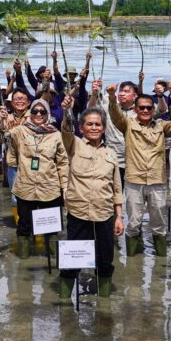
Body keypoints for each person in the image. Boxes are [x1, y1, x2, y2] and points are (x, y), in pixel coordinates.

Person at [109, 86, 171, 258]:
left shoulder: (161, 125)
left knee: (159, 223)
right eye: (142, 107)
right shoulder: (127, 124)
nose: (145, 110)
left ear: (153, 109)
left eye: (149, 108)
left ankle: (160, 259)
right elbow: (115, 115)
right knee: (133, 222)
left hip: (157, 181)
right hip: (134, 181)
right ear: (135, 109)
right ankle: (132, 261)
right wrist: (112, 97)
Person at [59, 102, 124, 297]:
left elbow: (117, 188)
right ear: (82, 128)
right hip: (78, 214)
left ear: (103, 128)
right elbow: (66, 130)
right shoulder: (74, 145)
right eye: (89, 124)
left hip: (104, 215)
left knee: (105, 260)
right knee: (72, 261)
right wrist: (67, 110)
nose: (94, 128)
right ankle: (65, 303)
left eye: (98, 124)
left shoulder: (110, 153)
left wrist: (119, 217)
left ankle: (104, 303)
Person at [4, 98, 69, 261]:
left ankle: (53, 260)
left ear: (48, 114)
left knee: (53, 227)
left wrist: (65, 187)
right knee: (24, 227)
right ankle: (24, 263)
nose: (38, 114)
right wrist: (5, 119)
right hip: (25, 189)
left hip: (50, 189)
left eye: (42, 111)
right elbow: (3, 135)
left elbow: (62, 163)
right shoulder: (20, 131)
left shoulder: (56, 134)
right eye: (35, 111)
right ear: (30, 113)